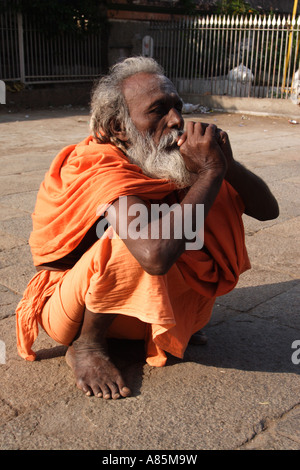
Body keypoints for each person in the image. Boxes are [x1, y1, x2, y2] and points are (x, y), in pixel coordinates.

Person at [16, 57, 279, 400]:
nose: (177, 121)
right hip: (73, 312)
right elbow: (154, 257)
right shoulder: (102, 165)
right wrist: (211, 173)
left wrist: (227, 165)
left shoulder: (165, 159)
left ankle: (163, 324)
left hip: (140, 310)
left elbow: (268, 211)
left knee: (191, 217)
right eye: (158, 111)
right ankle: (88, 347)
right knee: (132, 243)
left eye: (177, 107)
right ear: (118, 128)